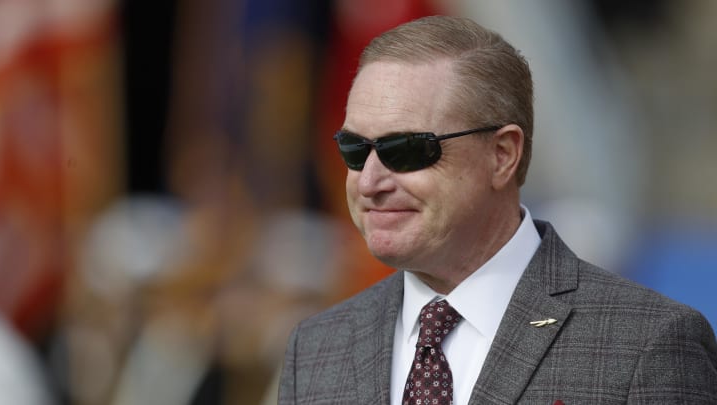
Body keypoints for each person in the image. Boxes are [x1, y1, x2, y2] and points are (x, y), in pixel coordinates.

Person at [278, 15, 717, 404]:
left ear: (502, 155)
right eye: (355, 151)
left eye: (407, 149)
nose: (369, 182)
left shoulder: (648, 343)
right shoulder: (316, 348)